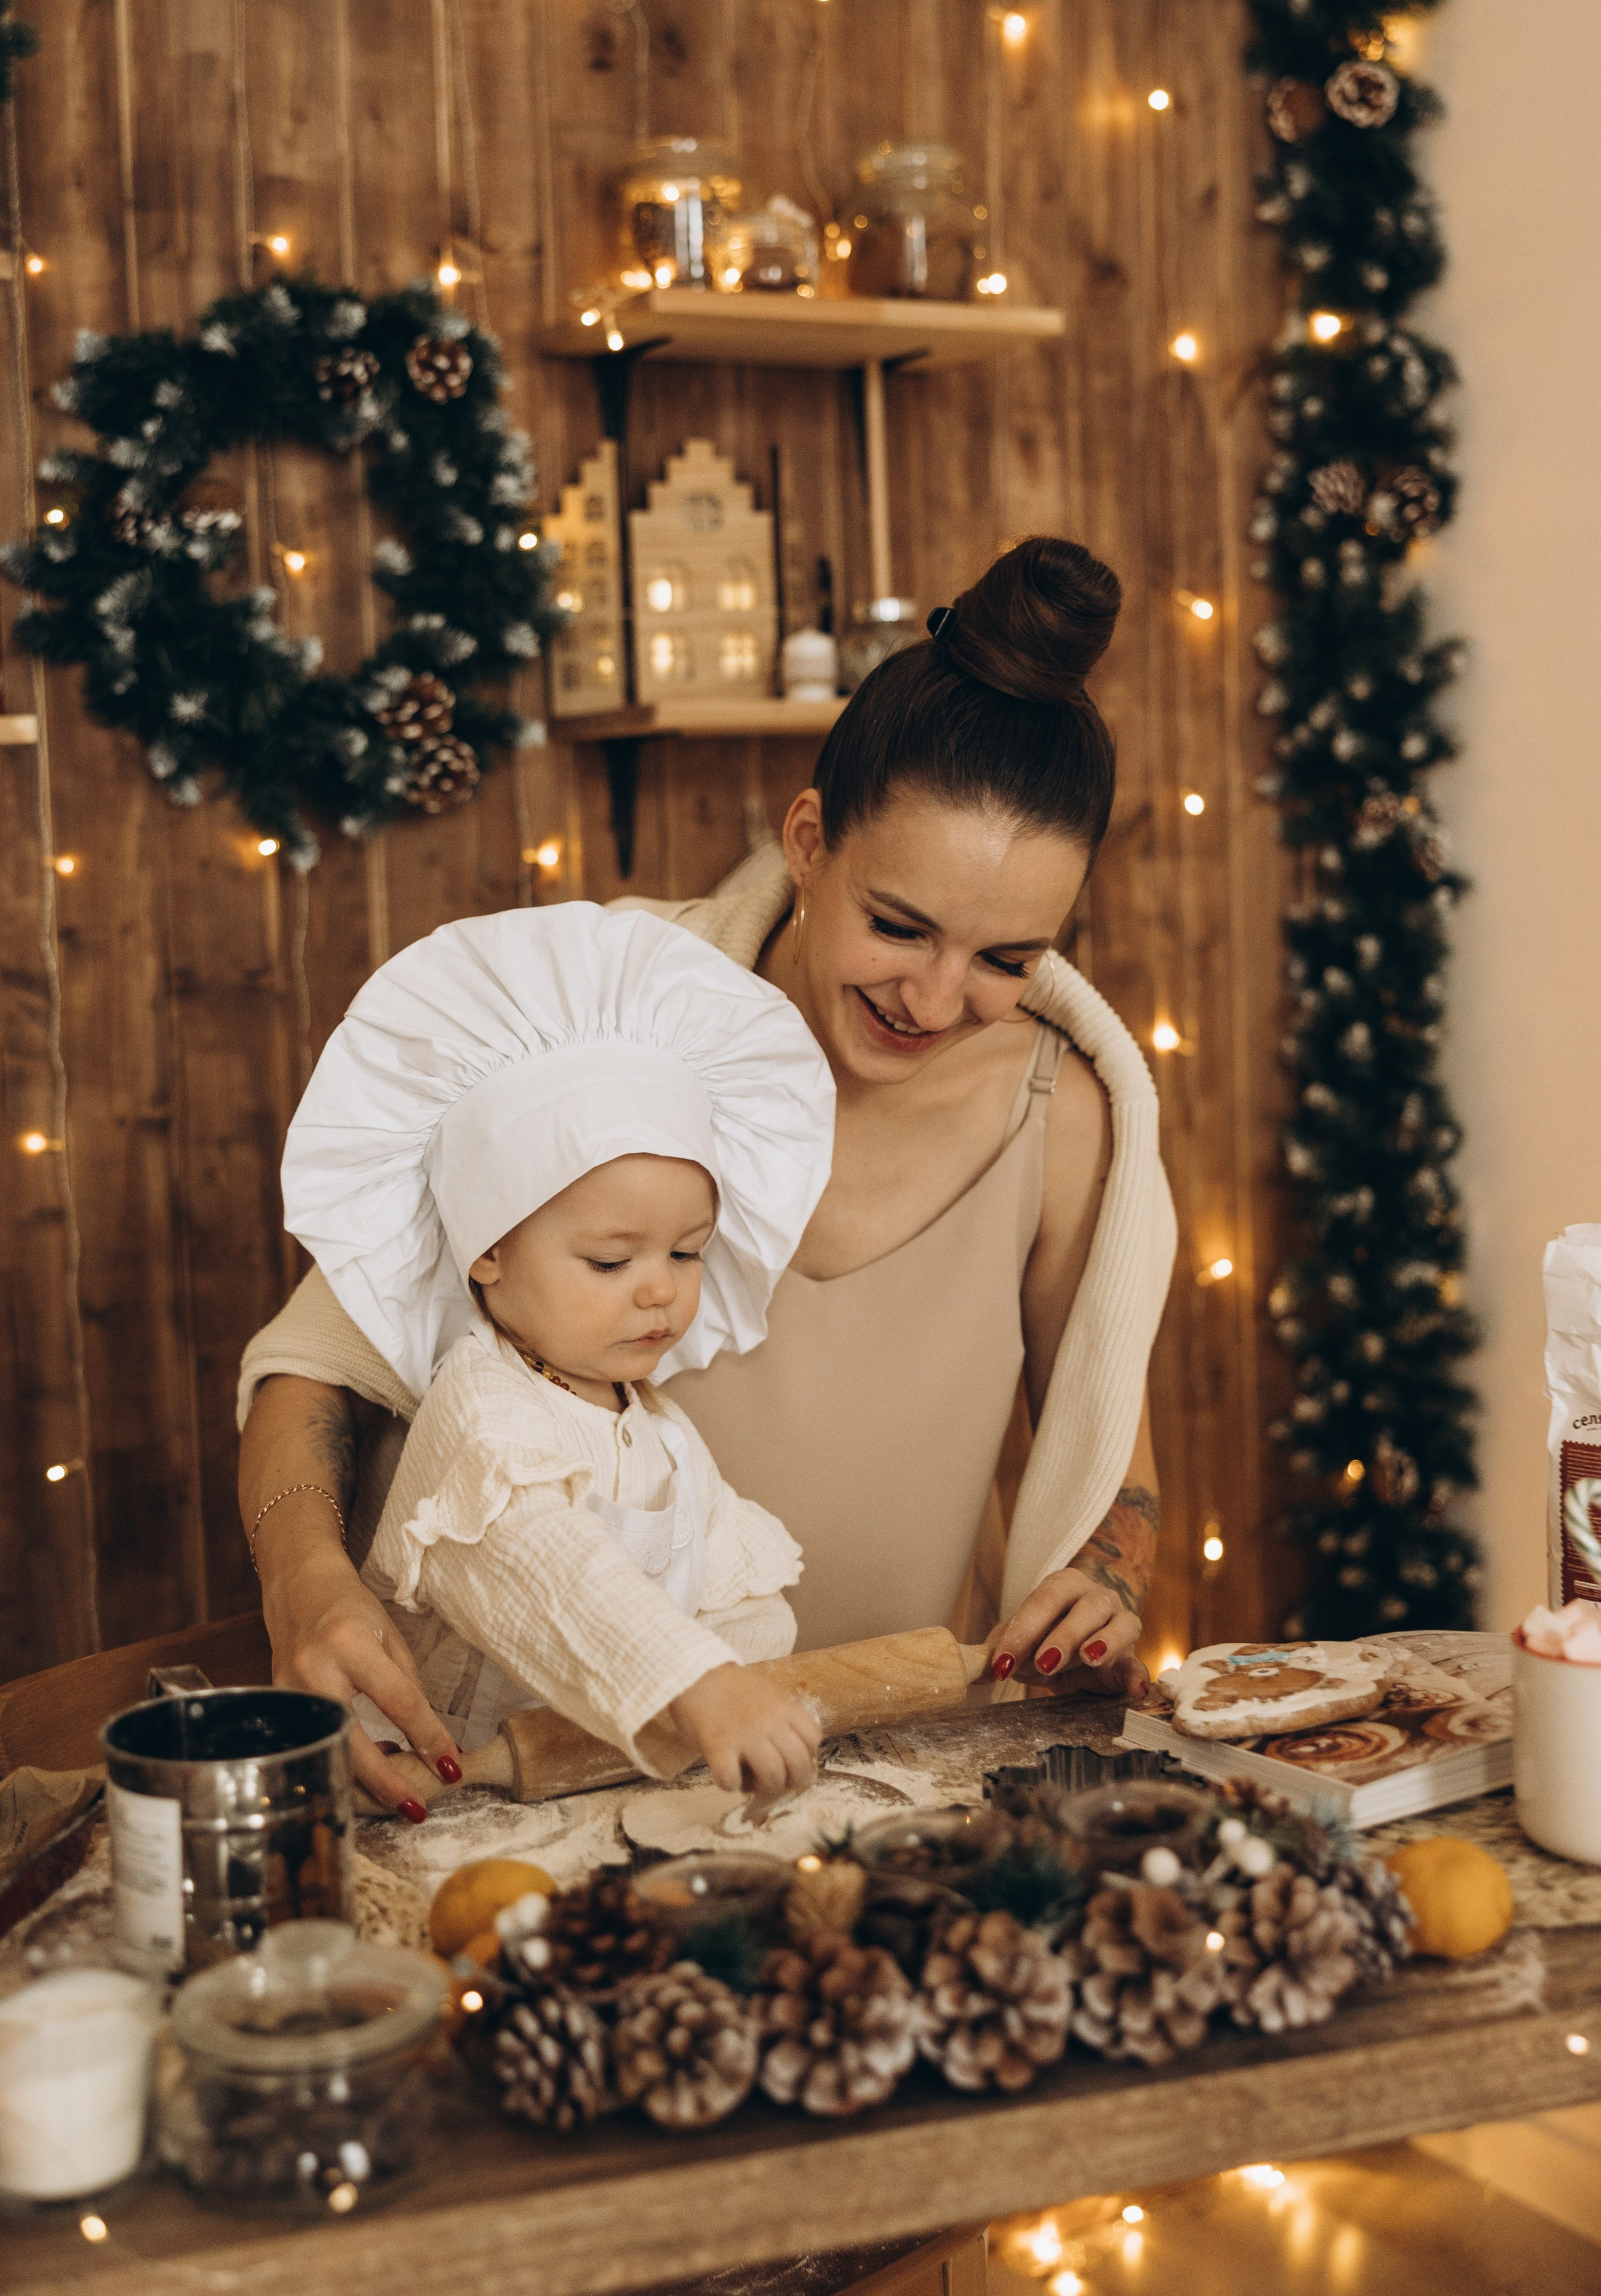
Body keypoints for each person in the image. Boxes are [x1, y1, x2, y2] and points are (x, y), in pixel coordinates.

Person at [239, 536, 1178, 1815]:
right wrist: (309, 1586)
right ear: (808, 840)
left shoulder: (1060, 1109)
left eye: (1007, 956)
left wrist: (1111, 1575)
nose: (936, 997)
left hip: (874, 1771)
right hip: (543, 1774)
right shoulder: (599, 1031)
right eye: (897, 926)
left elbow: (1108, 1437)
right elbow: (317, 1367)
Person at [277, 903, 836, 1806]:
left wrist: (761, 1677)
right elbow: (553, 1573)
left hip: (590, 1784)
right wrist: (703, 1684)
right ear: (486, 1251)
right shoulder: (481, 1412)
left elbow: (734, 1590)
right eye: (612, 1261)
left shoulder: (659, 1432)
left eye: (686, 1253)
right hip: (441, 1797)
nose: (660, 1289)